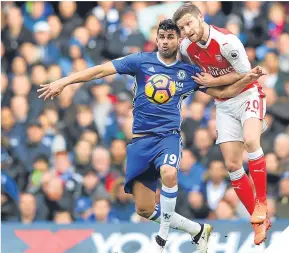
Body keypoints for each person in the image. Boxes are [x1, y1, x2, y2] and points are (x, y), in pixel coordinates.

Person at [38, 19, 264, 252]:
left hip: (168, 137)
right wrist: (64, 81)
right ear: (156, 40)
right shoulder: (140, 61)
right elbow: (100, 70)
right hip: (140, 140)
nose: (166, 42)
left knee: (168, 172)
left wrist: (246, 79)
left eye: (171, 37)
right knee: (144, 209)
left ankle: (162, 239)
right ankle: (197, 230)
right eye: (162, 37)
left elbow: (223, 91)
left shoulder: (189, 72)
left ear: (179, 41)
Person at [173, 3, 270, 245]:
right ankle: (259, 221)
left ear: (200, 18)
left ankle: (263, 203)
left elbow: (244, 73)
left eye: (189, 24)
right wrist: (213, 86)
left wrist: (214, 80)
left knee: (250, 141)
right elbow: (207, 84)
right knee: (232, 165)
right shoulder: (186, 47)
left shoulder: (227, 42)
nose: (186, 30)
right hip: (224, 103)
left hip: (248, 95)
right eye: (182, 27)